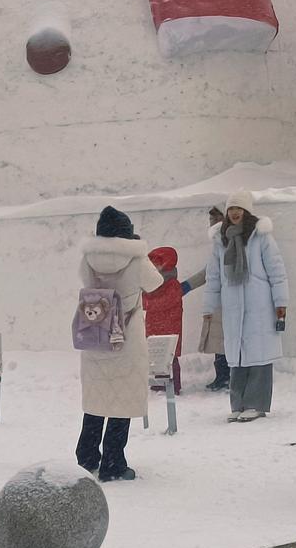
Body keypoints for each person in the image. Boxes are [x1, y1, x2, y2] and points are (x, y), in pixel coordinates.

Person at [75, 205, 162, 481]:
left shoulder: (88, 258)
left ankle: (87, 456)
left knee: (96, 399)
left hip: (95, 332)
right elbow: (155, 282)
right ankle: (113, 462)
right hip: (126, 338)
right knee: (121, 400)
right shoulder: (136, 260)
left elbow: (84, 279)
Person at [202, 191, 288, 421]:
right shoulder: (221, 240)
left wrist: (281, 302)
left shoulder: (261, 237)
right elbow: (214, 276)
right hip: (232, 305)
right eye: (231, 209)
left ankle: (256, 404)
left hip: (259, 303)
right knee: (237, 355)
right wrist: (208, 307)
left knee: (258, 354)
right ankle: (238, 403)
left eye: (239, 209)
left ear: (247, 211)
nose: (235, 213)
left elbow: (277, 272)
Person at [183, 207, 230, 392]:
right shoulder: (219, 243)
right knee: (220, 341)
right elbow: (210, 271)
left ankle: (227, 377)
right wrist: (187, 285)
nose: (212, 223)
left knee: (224, 340)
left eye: (215, 219)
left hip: (227, 298)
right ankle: (223, 376)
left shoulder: (229, 241)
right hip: (218, 299)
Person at [143, 246, 186, 394]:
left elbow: (161, 303)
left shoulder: (172, 284)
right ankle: (158, 382)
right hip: (154, 326)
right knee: (156, 355)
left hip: (170, 327)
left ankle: (174, 384)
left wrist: (147, 302)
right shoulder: (151, 284)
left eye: (157, 263)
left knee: (170, 356)